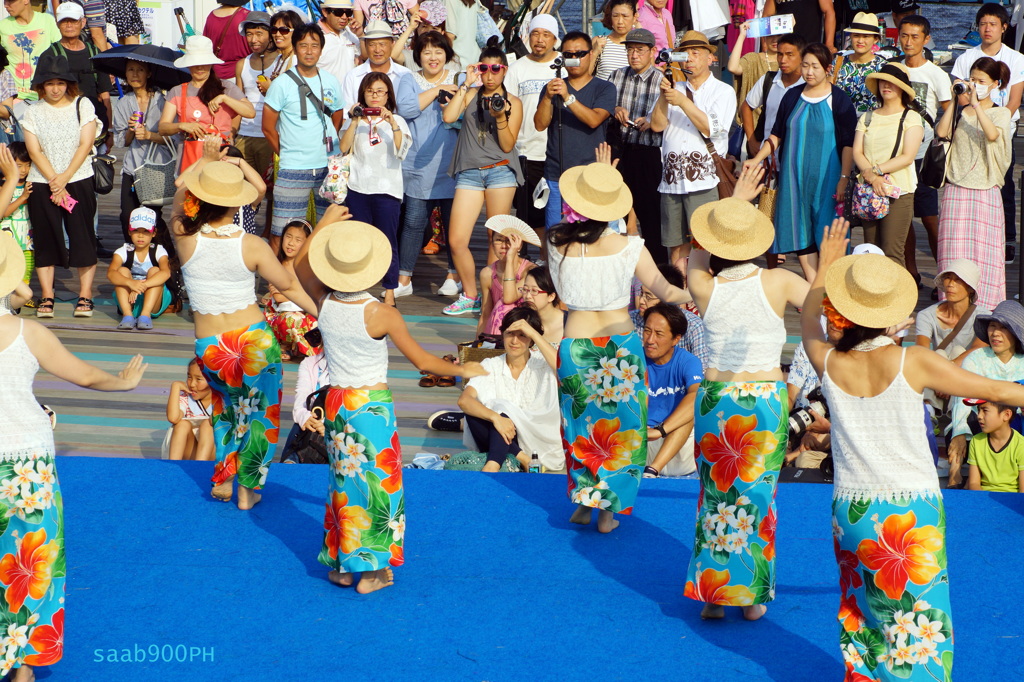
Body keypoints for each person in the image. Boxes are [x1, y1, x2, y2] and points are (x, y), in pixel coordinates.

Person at [802, 222, 1024, 680]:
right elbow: (993, 388)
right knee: (918, 624)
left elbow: (807, 319)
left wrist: (824, 268)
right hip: (911, 510)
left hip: (851, 509)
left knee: (863, 614)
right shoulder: (912, 360)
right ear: (891, 312)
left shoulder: (827, 360)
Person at [294, 210, 486, 593]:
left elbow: (300, 265)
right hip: (371, 407)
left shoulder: (324, 301)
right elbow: (424, 362)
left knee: (344, 483)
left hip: (337, 402)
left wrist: (325, 224)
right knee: (380, 486)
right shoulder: (382, 314)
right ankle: (373, 571)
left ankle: (344, 567)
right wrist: (468, 371)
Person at [0, 225, 147, 682]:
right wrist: (122, 382)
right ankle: (23, 663)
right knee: (31, 561)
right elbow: (83, 375)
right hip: (27, 459)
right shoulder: (26, 332)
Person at [682, 166, 809, 621]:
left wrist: (732, 201)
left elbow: (698, 250)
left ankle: (714, 593)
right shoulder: (779, 281)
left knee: (715, 496)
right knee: (759, 499)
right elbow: (824, 306)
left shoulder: (704, 284)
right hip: (764, 400)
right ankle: (751, 594)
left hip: (718, 398)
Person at [548, 161, 690, 534]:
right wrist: (702, 292)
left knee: (580, 427)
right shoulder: (631, 246)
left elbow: (563, 295)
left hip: (575, 346)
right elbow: (667, 291)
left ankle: (583, 501)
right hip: (619, 347)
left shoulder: (557, 243)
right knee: (622, 431)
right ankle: (608, 509)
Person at [169, 158, 317, 510]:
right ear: (237, 203)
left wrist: (203, 162)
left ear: (200, 199)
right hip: (252, 340)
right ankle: (249, 487)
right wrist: (323, 312)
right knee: (260, 413)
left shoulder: (185, 237)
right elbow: (288, 286)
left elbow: (176, 199)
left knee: (224, 410)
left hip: (210, 347)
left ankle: (224, 476)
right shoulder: (252, 244)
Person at [745, 43, 856, 281]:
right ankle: (813, 287)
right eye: (805, 65)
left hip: (829, 178)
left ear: (827, 69)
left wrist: (844, 179)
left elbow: (849, 143)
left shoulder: (839, 99)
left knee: (828, 232)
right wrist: (756, 159)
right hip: (793, 177)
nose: (809, 72)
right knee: (800, 231)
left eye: (815, 66)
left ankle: (831, 288)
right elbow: (776, 135)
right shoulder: (792, 96)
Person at [441, 47, 523, 316]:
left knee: (495, 238)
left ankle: (491, 295)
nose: (489, 75)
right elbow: (448, 117)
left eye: (495, 69)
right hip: (469, 172)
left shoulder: (513, 102)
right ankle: (470, 294)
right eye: (484, 68)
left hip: (500, 171)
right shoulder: (471, 94)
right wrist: (465, 83)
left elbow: (508, 143)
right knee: (456, 239)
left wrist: (500, 116)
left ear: (504, 70)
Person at [23, 54, 99, 319]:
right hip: (42, 181)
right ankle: (47, 295)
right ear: (40, 86)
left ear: (69, 83)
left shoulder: (83, 104)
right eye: (49, 83)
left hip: (78, 178)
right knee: (45, 238)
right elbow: (34, 151)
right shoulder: (32, 111)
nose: (55, 88)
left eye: (60, 82)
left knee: (83, 236)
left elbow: (85, 144)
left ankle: (85, 295)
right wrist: (55, 181)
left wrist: (64, 177)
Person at [651, 30, 736, 263]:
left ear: (710, 58)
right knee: (675, 246)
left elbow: (712, 129)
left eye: (695, 53)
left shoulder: (723, 91)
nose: (689, 58)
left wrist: (682, 102)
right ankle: (681, 297)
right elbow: (657, 126)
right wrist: (662, 94)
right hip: (671, 181)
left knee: (704, 243)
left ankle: (701, 293)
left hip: (705, 180)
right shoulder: (674, 89)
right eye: (684, 54)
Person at [935, 57, 1012, 311]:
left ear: (995, 84)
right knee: (952, 251)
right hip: (956, 189)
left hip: (985, 190)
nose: (975, 85)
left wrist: (977, 106)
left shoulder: (1000, 112)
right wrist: (956, 102)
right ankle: (949, 302)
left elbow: (992, 135)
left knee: (984, 256)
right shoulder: (961, 111)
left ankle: (986, 307)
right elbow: (941, 133)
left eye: (981, 81)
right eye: (973, 80)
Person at [951, 3, 1024, 264]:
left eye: (993, 24)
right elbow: (959, 98)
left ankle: (1007, 240)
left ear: (1005, 27)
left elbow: (1014, 99)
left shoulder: (1016, 58)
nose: (987, 29)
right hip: (969, 126)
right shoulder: (965, 58)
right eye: (982, 24)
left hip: (1003, 126)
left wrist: (999, 120)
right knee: (968, 181)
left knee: (1002, 183)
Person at [262, 22, 345, 252]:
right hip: (293, 168)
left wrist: (328, 145)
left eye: (315, 46)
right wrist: (288, 152)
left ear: (321, 49)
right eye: (303, 45)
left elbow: (337, 115)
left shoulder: (330, 80)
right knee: (282, 230)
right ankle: (277, 285)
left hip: (329, 168)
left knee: (328, 228)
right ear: (296, 49)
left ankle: (322, 283)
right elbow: (268, 127)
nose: (309, 51)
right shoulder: (281, 83)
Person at [395, 30, 461, 298]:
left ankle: (453, 275)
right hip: (417, 164)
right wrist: (437, 91)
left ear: (447, 54)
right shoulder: (408, 79)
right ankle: (404, 279)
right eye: (426, 52)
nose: (433, 57)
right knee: (412, 223)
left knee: (452, 224)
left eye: (438, 51)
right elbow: (407, 109)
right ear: (418, 55)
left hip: (452, 164)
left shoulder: (460, 78)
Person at [459, 305, 561, 472]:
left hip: (538, 441)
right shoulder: (491, 365)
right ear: (502, 334)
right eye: (510, 334)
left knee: (499, 408)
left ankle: (495, 464)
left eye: (522, 336)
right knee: (480, 411)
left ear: (531, 339)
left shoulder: (544, 362)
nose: (514, 341)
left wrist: (533, 332)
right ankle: (521, 459)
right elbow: (464, 400)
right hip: (502, 436)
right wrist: (497, 418)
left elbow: (563, 369)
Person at [340, 72, 410, 306]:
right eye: (370, 91)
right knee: (358, 240)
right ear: (363, 94)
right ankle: (359, 287)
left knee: (387, 241)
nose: (375, 96)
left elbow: (402, 152)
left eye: (380, 91)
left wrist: (392, 124)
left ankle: (390, 290)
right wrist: (353, 121)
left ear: (388, 94)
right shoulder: (357, 120)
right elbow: (342, 147)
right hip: (358, 188)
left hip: (387, 190)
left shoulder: (398, 121)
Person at [536, 31, 615, 230]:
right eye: (568, 55)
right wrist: (547, 97)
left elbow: (594, 120)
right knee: (556, 234)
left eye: (580, 54)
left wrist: (567, 97)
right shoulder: (552, 88)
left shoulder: (605, 88)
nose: (574, 59)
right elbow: (539, 124)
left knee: (597, 233)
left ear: (591, 55)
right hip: (556, 174)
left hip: (593, 173)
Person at [853, 63, 924, 266]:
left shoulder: (911, 117)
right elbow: (857, 151)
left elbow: (907, 156)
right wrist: (872, 178)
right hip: (869, 190)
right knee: (871, 251)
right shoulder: (867, 116)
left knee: (892, 252)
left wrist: (875, 171)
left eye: (891, 82)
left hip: (898, 191)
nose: (886, 85)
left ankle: (898, 297)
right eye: (882, 81)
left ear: (902, 87)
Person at [947, 300, 1024, 487]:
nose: (995, 333)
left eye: (1003, 328)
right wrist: (959, 432)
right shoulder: (976, 358)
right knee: (964, 426)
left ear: (1015, 333)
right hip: (980, 419)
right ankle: (955, 474)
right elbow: (962, 397)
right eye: (992, 326)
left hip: (1016, 423)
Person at [896, 15, 950, 281]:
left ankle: (944, 276)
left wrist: (942, 139)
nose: (908, 41)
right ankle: (910, 272)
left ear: (926, 39)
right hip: (896, 156)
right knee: (903, 219)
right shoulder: (893, 68)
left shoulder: (936, 73)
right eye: (904, 35)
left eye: (915, 36)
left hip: (923, 155)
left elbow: (948, 108)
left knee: (930, 219)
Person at [607, 28, 665, 259]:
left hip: (648, 152)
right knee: (615, 212)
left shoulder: (662, 79)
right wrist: (615, 109)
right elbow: (604, 106)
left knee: (651, 215)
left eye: (640, 50)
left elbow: (671, 116)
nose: (634, 55)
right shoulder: (616, 76)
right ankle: (616, 264)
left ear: (652, 51)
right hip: (619, 150)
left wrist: (652, 121)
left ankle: (658, 270)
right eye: (630, 50)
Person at [160, 35, 256, 172]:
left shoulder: (227, 87)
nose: (199, 67)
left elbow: (250, 112)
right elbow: (163, 128)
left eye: (204, 62)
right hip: (189, 157)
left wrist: (224, 98)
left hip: (221, 156)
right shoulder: (177, 91)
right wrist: (183, 125)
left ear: (211, 63)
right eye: (195, 62)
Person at [505, 14, 558, 238]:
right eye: (535, 33)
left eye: (546, 35)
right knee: (529, 212)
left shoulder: (563, 66)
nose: (540, 39)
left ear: (555, 39)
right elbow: (508, 109)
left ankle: (550, 258)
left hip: (556, 150)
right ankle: (531, 258)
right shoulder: (517, 67)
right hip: (526, 150)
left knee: (556, 210)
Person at [114, 58, 174, 243]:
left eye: (140, 70)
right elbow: (120, 141)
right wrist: (131, 131)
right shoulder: (124, 103)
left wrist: (149, 135)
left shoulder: (163, 101)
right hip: (133, 166)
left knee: (152, 216)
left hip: (156, 165)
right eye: (130, 70)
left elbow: (174, 138)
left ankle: (166, 255)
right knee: (127, 215)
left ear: (148, 73)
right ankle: (132, 253)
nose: (134, 74)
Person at [642, 303, 702, 478]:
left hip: (677, 443)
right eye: (647, 331)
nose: (650, 340)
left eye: (659, 334)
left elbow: (696, 394)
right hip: (642, 440)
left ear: (676, 339)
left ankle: (653, 470)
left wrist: (660, 430)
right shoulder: (634, 359)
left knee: (690, 412)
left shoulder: (688, 361)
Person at [38, 2, 113, 141]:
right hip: (60, 130)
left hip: (94, 129)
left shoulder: (95, 52)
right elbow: (41, 96)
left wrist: (109, 132)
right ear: (57, 23)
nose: (69, 25)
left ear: (83, 22)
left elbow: (105, 95)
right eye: (64, 21)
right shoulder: (49, 55)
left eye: (73, 20)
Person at [740, 33, 806, 160]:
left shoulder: (808, 85)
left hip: (794, 160)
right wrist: (751, 141)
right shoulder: (769, 80)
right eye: (780, 54)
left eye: (789, 54)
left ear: (802, 57)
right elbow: (746, 106)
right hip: (765, 159)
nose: (783, 60)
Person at [630, 262, 709, 368]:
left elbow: (702, 368)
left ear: (669, 299)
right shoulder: (630, 321)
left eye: (648, 296)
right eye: (641, 293)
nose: (641, 301)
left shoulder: (694, 326)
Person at [108, 207, 171, 331]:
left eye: (146, 231)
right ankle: (127, 315)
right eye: (136, 230)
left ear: (154, 233)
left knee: (155, 271)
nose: (141, 236)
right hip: (130, 301)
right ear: (129, 231)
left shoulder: (159, 251)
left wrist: (140, 287)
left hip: (153, 300)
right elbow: (110, 273)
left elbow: (166, 272)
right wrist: (130, 283)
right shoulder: (123, 251)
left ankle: (145, 315)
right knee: (121, 272)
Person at [915, 259, 989, 364]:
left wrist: (950, 367)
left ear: (971, 288)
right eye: (948, 278)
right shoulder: (926, 315)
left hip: (968, 370)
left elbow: (977, 349)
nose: (950, 284)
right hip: (938, 368)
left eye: (958, 279)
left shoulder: (984, 317)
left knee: (958, 351)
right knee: (940, 353)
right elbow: (921, 349)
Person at [234, 11, 278, 188]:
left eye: (259, 33)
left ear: (270, 35)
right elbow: (238, 102)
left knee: (271, 192)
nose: (253, 39)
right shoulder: (241, 64)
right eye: (249, 34)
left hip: (271, 135)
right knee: (242, 190)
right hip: (244, 135)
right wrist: (232, 134)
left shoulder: (282, 61)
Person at [263, 219, 318, 360]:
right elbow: (280, 298)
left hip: (305, 311)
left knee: (321, 320)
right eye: (288, 237)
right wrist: (305, 292)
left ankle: (294, 348)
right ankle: (288, 346)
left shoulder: (311, 267)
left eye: (298, 239)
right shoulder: (275, 265)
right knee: (293, 319)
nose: (291, 243)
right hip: (282, 314)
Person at [728, 21, 780, 154]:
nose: (775, 40)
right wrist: (742, 36)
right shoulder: (753, 59)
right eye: (770, 36)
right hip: (754, 130)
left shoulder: (792, 64)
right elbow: (733, 67)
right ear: (764, 38)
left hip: (780, 131)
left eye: (780, 35)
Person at [342, 20, 413, 115]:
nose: (377, 50)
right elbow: (346, 113)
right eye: (372, 44)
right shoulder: (353, 76)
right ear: (365, 45)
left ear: (392, 44)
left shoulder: (405, 75)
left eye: (382, 44)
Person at [478, 220, 535, 335]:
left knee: (504, 306)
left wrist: (510, 258)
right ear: (492, 244)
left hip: (526, 329)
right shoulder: (487, 274)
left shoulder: (530, 271)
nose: (504, 246)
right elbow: (485, 315)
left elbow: (508, 298)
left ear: (519, 244)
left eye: (509, 240)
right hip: (497, 330)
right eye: (499, 240)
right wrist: (477, 345)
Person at [0, 0, 59, 102]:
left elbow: (60, 53)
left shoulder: (47, 20)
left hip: (46, 96)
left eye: (10, 1)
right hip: (16, 98)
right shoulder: (2, 26)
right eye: (5, 2)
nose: (6, 6)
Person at [965, 398, 1024, 492]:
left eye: (985, 410)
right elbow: (974, 483)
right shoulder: (976, 441)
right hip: (982, 497)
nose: (979, 416)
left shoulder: (1021, 445)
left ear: (1006, 415)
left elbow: (1023, 491)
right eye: (978, 410)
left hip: (1012, 499)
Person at [833, 12, 887, 115]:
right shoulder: (838, 62)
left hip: (871, 125)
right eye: (856, 36)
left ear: (875, 39)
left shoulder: (883, 67)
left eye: (866, 36)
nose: (860, 41)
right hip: (841, 124)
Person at [164, 357, 214, 461]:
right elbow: (173, 418)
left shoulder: (221, 400)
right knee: (182, 424)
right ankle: (173, 467)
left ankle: (200, 466)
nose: (192, 384)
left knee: (208, 424)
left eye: (199, 379)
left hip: (214, 454)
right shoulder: (186, 399)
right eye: (189, 377)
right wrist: (175, 387)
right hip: (191, 452)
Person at [0, 141, 32, 286]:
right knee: (10, 263)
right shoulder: (4, 185)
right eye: (19, 166)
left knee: (28, 263)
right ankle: (11, 293)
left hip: (27, 234)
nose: (24, 170)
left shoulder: (31, 183)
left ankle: (24, 293)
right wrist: (23, 197)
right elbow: (5, 211)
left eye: (28, 165)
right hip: (9, 234)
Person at [202, 0, 252, 81]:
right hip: (242, 73)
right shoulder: (246, 16)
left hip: (216, 75)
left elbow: (205, 46)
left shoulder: (211, 17)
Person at [763, 0, 836, 52]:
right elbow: (766, 17)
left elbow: (828, 11)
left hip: (809, 45)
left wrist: (829, 44)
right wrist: (765, 46)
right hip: (784, 45)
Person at [518, 265, 563, 345]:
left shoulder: (568, 323)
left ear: (551, 296)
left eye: (534, 291)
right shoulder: (521, 321)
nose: (528, 296)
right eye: (525, 289)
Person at [318, 0, 360, 84]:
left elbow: (364, 57)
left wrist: (361, 35)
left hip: (348, 93)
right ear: (325, 12)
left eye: (348, 12)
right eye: (338, 12)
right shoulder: (314, 36)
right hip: (324, 93)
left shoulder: (352, 34)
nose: (344, 17)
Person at [592, 0, 635, 80]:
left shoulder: (640, 45)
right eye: (615, 16)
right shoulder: (599, 41)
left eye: (625, 16)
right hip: (601, 91)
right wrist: (595, 53)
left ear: (634, 17)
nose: (620, 21)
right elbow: (585, 75)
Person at [354, 0, 418, 40]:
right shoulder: (359, 1)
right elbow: (357, 26)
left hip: (401, 42)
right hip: (375, 40)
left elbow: (421, 18)